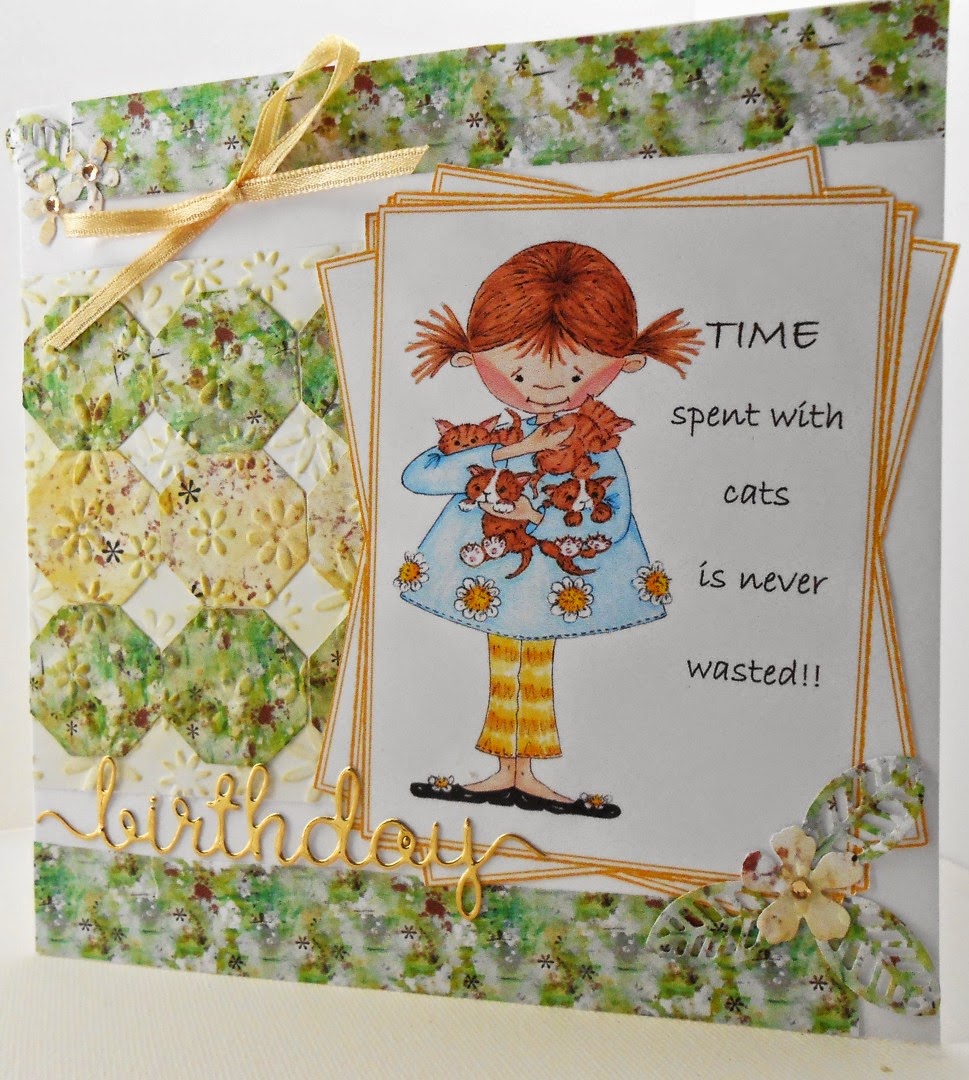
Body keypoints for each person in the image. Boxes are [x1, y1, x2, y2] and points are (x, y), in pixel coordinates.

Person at [393, 241, 701, 817]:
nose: (544, 388)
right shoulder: (496, 435)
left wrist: (539, 518)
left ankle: (526, 773)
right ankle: (504, 770)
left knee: (534, 666)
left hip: (554, 580)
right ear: (472, 358)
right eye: (516, 371)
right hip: (488, 575)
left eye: (578, 371)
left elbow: (614, 514)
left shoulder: (594, 441)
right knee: (503, 662)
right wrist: (515, 450)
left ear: (624, 364)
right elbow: (420, 476)